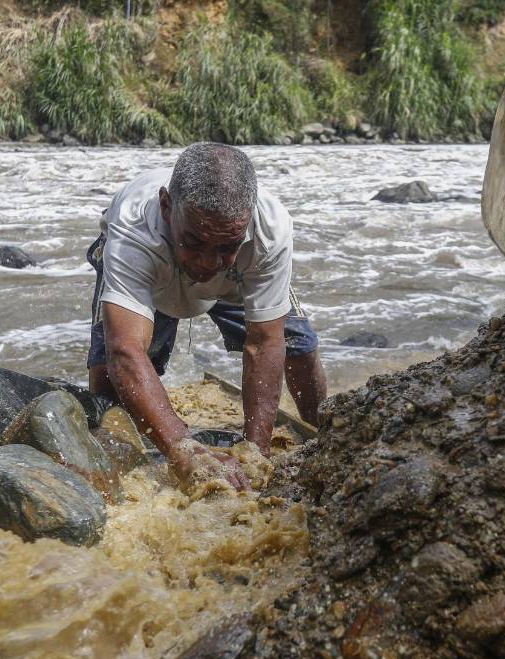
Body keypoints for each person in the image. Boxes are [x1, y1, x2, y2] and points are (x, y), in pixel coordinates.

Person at [86, 142, 327, 490]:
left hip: (238, 277)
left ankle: (325, 435)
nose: (207, 264)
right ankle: (114, 464)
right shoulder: (133, 226)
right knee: (109, 375)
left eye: (227, 246)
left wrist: (256, 455)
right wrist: (185, 451)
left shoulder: (270, 229)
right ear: (166, 206)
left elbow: (264, 342)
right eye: (195, 242)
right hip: (155, 273)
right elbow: (126, 352)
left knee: (297, 346)